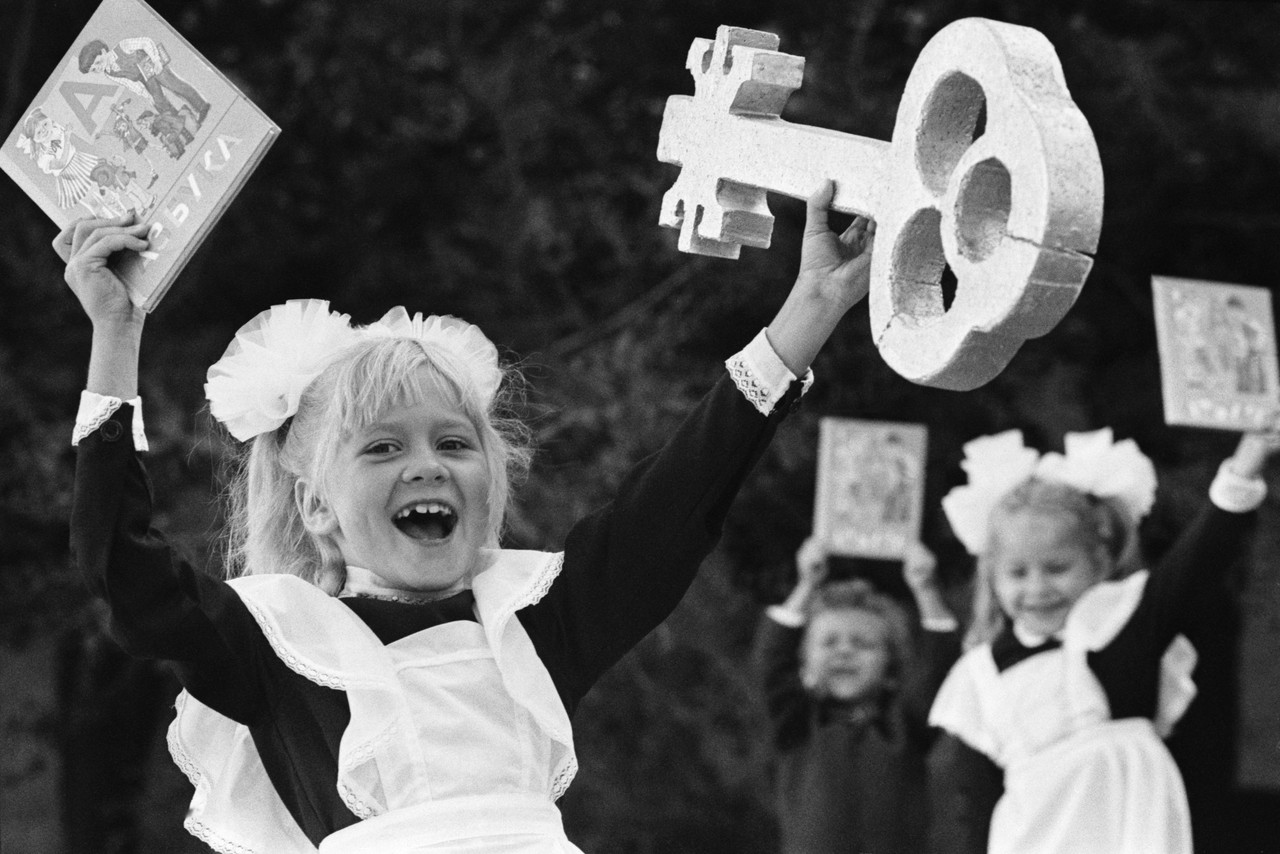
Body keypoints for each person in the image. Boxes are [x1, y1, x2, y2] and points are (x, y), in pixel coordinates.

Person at [59, 181, 874, 853]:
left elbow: (678, 499)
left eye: (454, 442)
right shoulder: (274, 646)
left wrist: (810, 308)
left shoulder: (539, 621)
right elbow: (118, 565)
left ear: (489, 482)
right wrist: (116, 334)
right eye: (380, 448)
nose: (426, 464)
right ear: (316, 505)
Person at [928, 426, 1279, 854]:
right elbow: (976, 800)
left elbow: (1203, 556)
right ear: (991, 576)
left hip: (1129, 828)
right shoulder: (979, 674)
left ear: (1099, 561)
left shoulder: (1126, 625)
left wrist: (1249, 457)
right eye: (1018, 573)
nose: (1037, 589)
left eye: (1058, 568)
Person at [755, 536, 960, 853]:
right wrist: (806, 585)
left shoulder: (907, 727)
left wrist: (926, 589)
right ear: (805, 663)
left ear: (891, 669)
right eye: (829, 643)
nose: (845, 651)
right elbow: (772, 665)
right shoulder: (797, 726)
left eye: (863, 644)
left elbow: (938, 670)